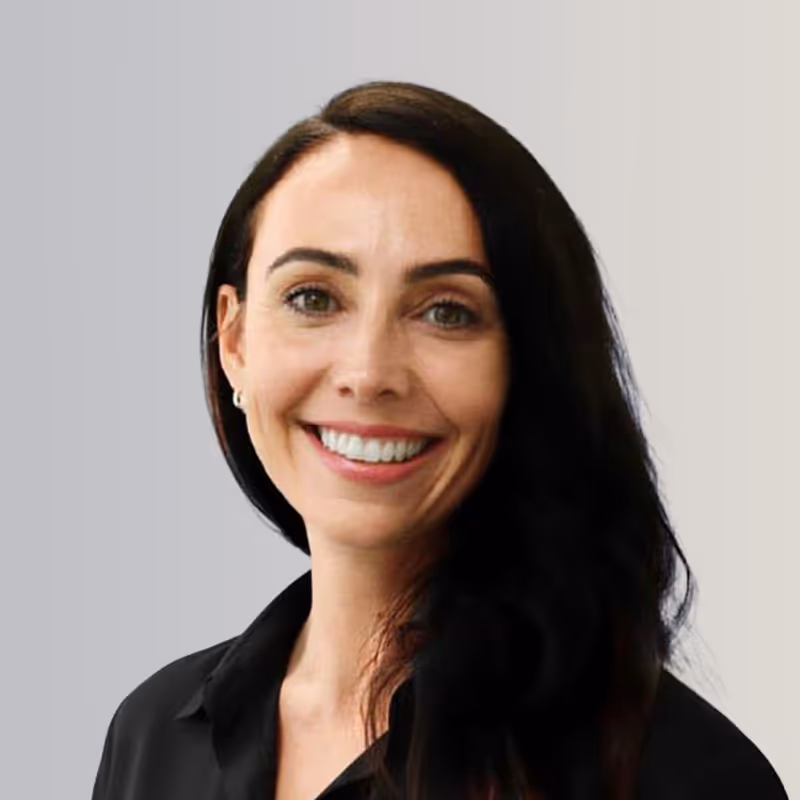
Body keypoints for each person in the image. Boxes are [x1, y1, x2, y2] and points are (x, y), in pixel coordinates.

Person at [90, 80, 788, 800]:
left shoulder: (685, 777)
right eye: (313, 298)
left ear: (528, 364)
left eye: (447, 312)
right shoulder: (150, 736)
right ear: (234, 340)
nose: (369, 373)